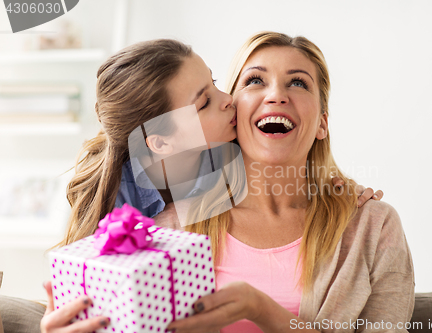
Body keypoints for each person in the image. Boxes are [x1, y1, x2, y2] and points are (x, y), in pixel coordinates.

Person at [41, 37, 382, 332]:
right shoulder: (129, 206)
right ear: (160, 143)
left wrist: (336, 187)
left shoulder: (226, 150)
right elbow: (97, 299)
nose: (227, 99)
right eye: (204, 102)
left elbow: (290, 160)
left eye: (216, 82)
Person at [160, 32, 415, 333]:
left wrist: (261, 310)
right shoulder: (172, 229)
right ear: (232, 111)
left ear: (322, 123)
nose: (276, 96)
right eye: (255, 81)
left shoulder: (373, 227)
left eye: (298, 83)